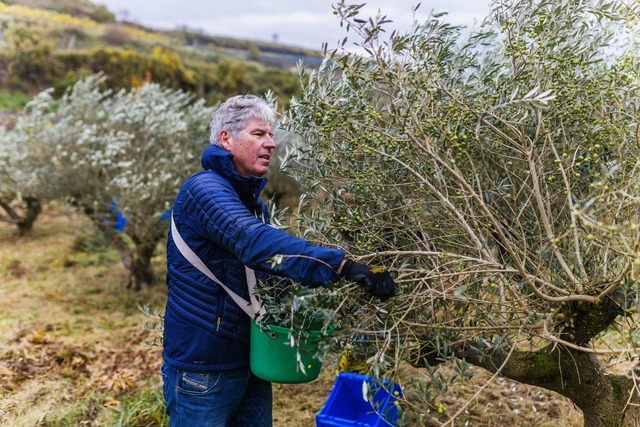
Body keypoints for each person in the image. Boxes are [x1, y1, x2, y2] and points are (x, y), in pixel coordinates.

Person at [161, 94, 395, 426]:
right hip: (203, 369)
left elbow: (268, 272)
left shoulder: (251, 202)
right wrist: (340, 265)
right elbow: (256, 243)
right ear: (226, 139)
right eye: (259, 134)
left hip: (251, 360)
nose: (271, 144)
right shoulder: (204, 190)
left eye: (270, 135)